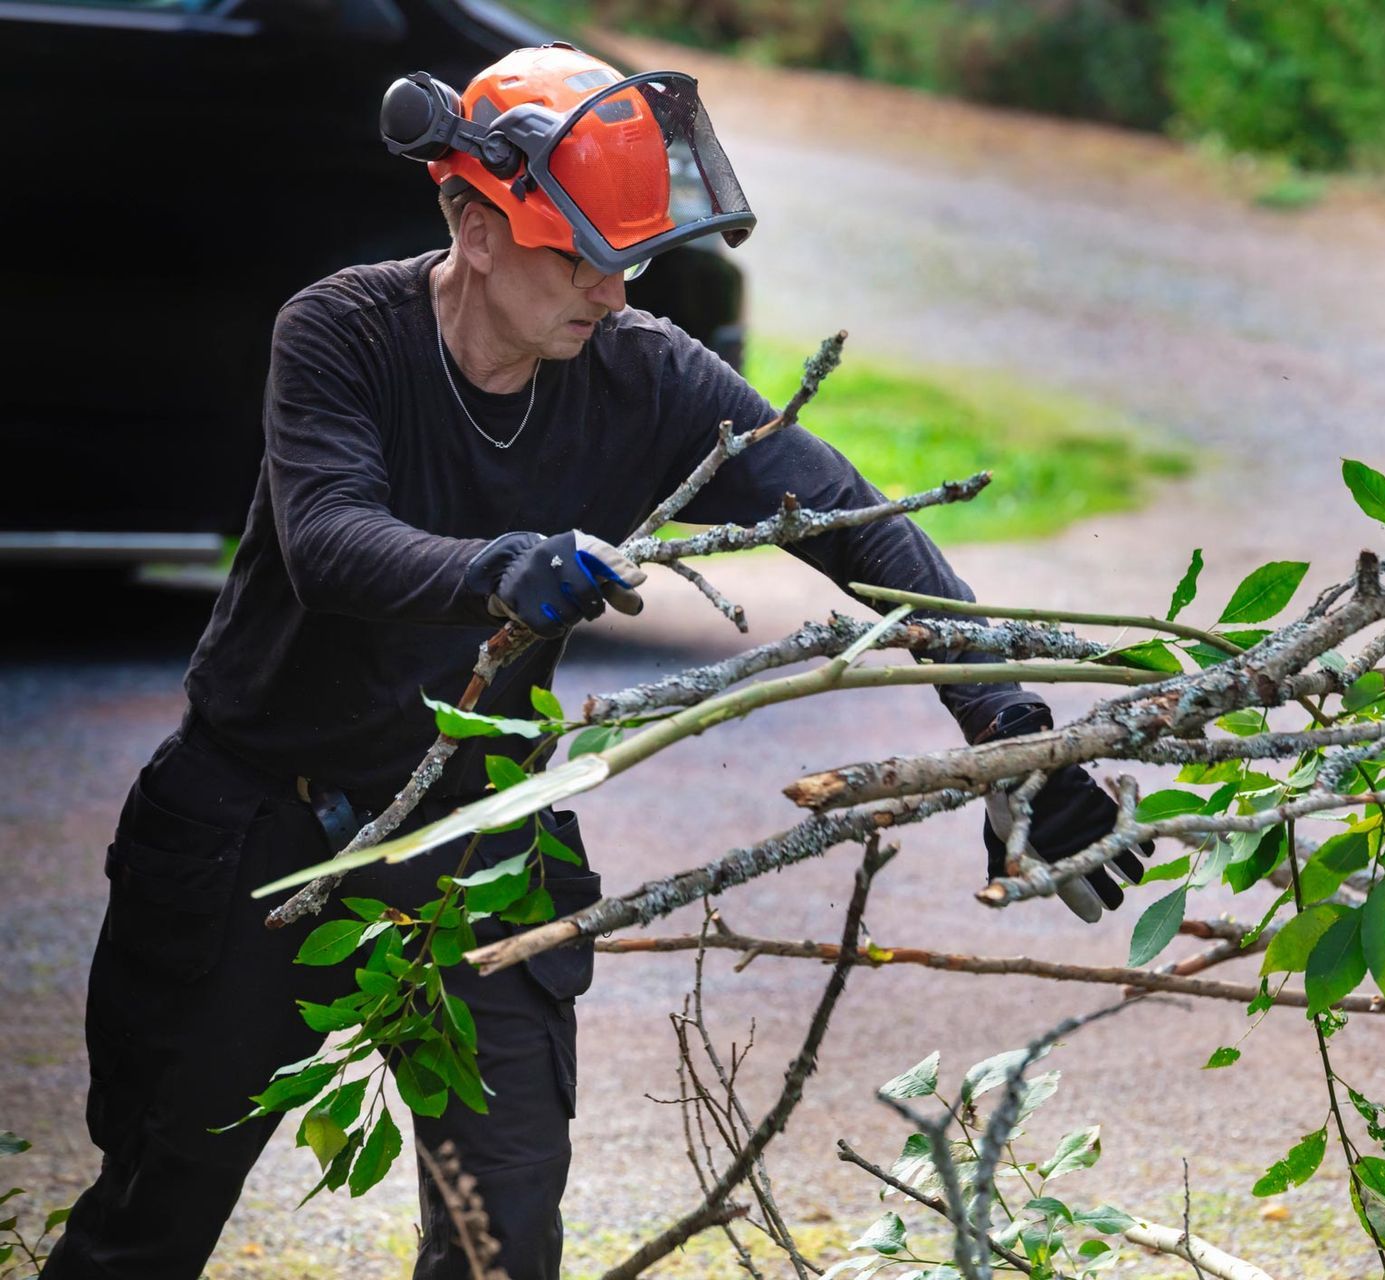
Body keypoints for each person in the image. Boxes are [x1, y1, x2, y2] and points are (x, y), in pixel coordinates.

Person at [43, 43, 1147, 1280]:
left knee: (501, 1238)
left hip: (480, 836)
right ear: (467, 210)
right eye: (578, 254)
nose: (613, 294)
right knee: (157, 1205)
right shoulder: (342, 333)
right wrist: (495, 569)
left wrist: (1010, 723)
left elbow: (856, 521)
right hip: (259, 826)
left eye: (627, 259)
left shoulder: (646, 376)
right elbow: (329, 541)